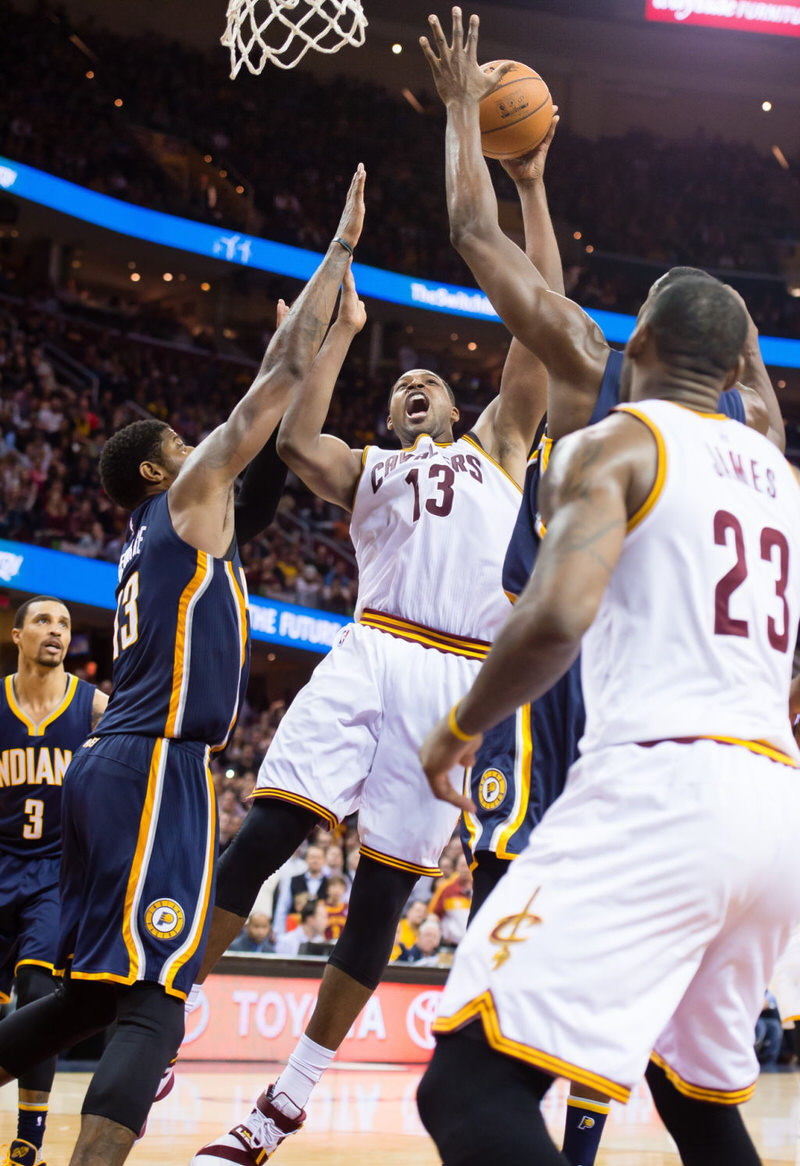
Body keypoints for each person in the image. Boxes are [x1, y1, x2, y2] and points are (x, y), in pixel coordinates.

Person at [422, 16, 787, 1161]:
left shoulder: (607, 412)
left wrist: (456, 121)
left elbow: (473, 235)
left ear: (629, 343)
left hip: (649, 761)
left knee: (469, 1090)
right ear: (741, 366)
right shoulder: (774, 456)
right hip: (770, 798)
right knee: (695, 1097)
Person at [0, 165, 366, 1166]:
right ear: (165, 468)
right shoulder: (182, 499)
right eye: (180, 437)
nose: (196, 436)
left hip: (117, 762)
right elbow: (264, 407)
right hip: (156, 766)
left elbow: (269, 479)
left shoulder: (167, 533)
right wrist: (334, 252)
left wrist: (326, 339)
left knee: (88, 993)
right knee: (159, 999)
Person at [190, 210, 546, 1166]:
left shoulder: (500, 445)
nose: (416, 384)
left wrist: (530, 186)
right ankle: (167, 1010)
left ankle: (285, 1099)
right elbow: (299, 434)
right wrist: (342, 335)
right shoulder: (367, 469)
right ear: (390, 420)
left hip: (458, 678)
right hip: (370, 648)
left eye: (428, 378)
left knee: (382, 897)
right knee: (265, 831)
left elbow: (537, 321)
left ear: (455, 402)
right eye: (402, 386)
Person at [0, 596, 107, 1166]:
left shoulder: (93, 707)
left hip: (54, 874)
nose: (56, 631)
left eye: (64, 624)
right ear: (17, 635)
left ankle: (27, 1142)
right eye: (43, 621)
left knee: (37, 995)